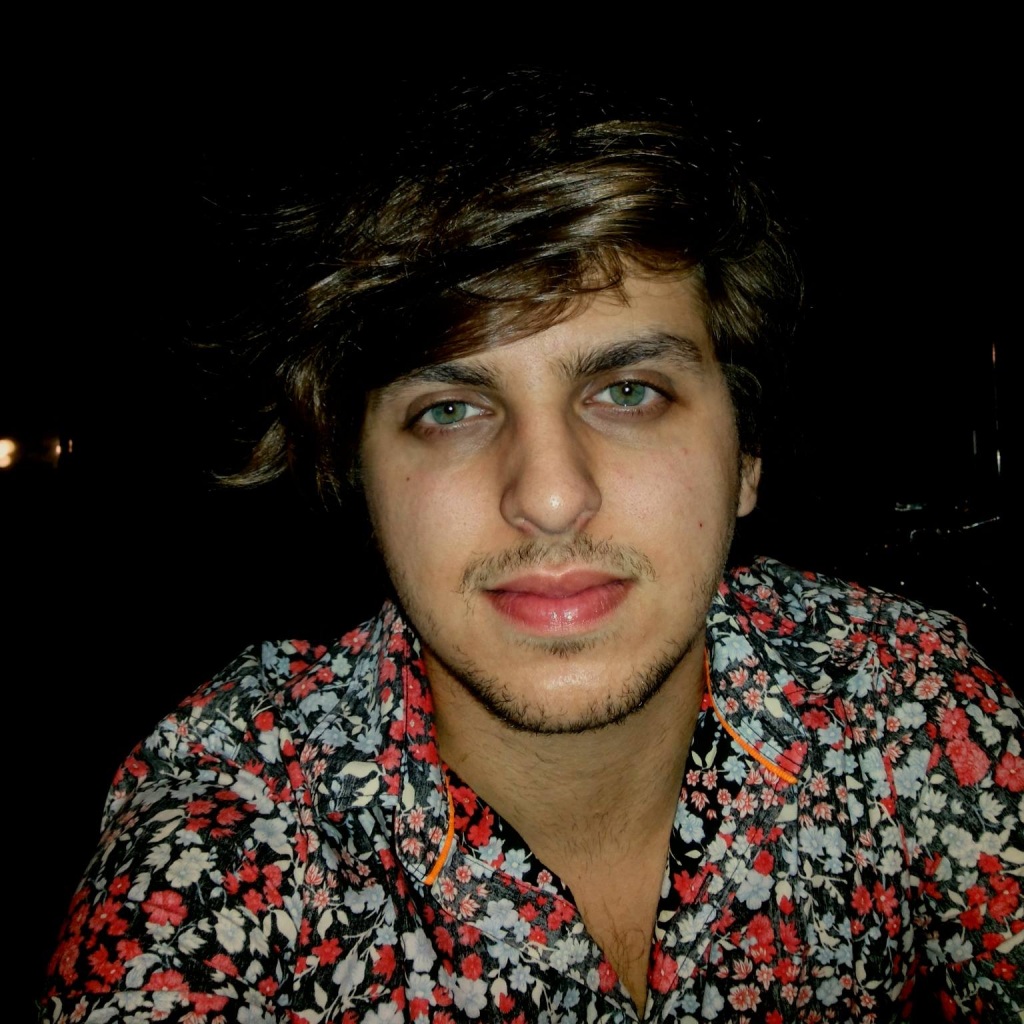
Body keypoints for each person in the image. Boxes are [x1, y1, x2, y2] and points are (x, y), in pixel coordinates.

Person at [40, 72, 1022, 1023]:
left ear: (746, 454)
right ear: (364, 478)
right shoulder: (237, 827)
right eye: (451, 408)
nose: (550, 497)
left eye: (628, 392)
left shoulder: (898, 698)